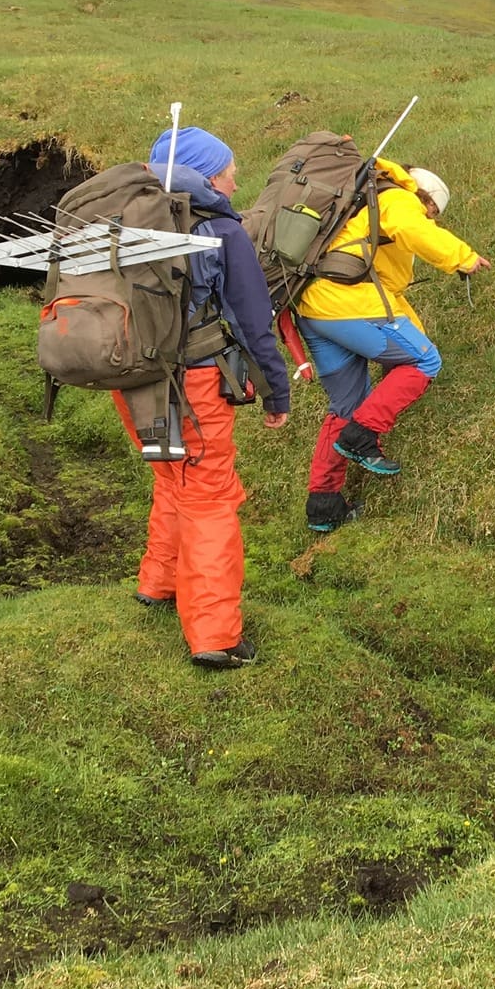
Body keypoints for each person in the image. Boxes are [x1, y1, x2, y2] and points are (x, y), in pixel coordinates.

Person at [121, 125, 291, 669]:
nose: (236, 182)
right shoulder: (221, 229)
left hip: (131, 378)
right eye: (228, 171)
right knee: (211, 498)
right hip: (192, 384)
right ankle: (215, 636)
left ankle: (159, 582)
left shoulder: (124, 219)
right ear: (206, 175)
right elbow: (253, 318)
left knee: (172, 477)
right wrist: (275, 391)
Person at [297, 160, 488, 531]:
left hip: (314, 308)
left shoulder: (359, 208)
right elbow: (410, 227)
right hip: (347, 303)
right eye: (432, 214)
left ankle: (324, 505)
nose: (430, 220)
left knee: (345, 404)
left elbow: (389, 299)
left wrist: (417, 334)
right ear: (428, 202)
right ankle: (362, 436)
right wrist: (462, 258)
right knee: (425, 362)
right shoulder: (398, 198)